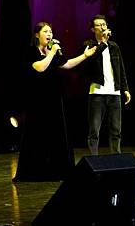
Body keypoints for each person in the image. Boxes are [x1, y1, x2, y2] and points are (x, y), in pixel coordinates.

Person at [13, 22, 97, 182]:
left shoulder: (53, 51)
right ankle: (36, 171)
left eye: (51, 31)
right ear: (37, 34)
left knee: (56, 135)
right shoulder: (31, 51)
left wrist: (85, 56)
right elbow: (39, 67)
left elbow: (66, 64)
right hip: (38, 101)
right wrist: (51, 53)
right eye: (46, 31)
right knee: (38, 136)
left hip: (54, 99)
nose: (49, 34)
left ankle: (56, 171)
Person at [81, 14, 131, 155]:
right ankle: (94, 159)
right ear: (92, 29)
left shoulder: (114, 46)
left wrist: (125, 89)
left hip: (114, 93)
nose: (102, 27)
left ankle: (116, 157)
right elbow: (91, 65)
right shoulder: (88, 46)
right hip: (97, 93)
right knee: (94, 130)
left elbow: (121, 68)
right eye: (98, 25)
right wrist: (102, 43)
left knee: (116, 129)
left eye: (104, 24)